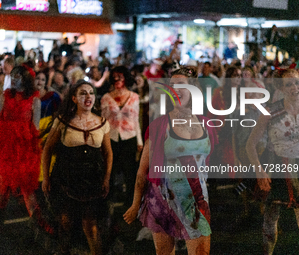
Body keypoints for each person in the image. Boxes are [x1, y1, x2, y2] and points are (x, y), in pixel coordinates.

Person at [123, 66, 217, 255]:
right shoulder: (159, 126)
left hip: (197, 200)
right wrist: (135, 204)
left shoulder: (207, 125)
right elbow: (142, 171)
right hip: (163, 199)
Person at [42, 80, 113, 255]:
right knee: (66, 221)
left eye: (91, 93)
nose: (88, 96)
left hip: (92, 181)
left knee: (91, 225)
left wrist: (106, 178)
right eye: (83, 93)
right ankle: (64, 250)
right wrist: (46, 177)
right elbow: (47, 150)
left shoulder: (102, 123)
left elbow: (108, 154)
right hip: (66, 179)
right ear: (74, 98)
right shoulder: (63, 121)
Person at [0, 66, 51, 232]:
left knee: (27, 187)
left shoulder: (34, 99)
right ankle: (0, 215)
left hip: (24, 146)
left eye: (17, 76)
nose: (13, 79)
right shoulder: (6, 96)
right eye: (12, 76)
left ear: (26, 78)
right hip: (6, 145)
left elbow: (35, 127)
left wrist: (35, 148)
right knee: (3, 183)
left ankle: (38, 222)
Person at [246, 69, 299, 255]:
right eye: (289, 84)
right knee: (270, 218)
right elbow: (250, 145)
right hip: (276, 169)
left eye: (297, 83)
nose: (295, 88)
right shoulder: (270, 111)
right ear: (281, 88)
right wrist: (259, 170)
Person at [101, 66, 143, 204]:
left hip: (129, 137)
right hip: (111, 137)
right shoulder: (106, 98)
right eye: (115, 77)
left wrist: (139, 141)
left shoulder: (134, 97)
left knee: (129, 171)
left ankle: (130, 201)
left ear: (126, 78)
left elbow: (136, 120)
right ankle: (109, 199)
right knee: (110, 169)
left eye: (120, 76)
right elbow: (103, 121)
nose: (117, 79)